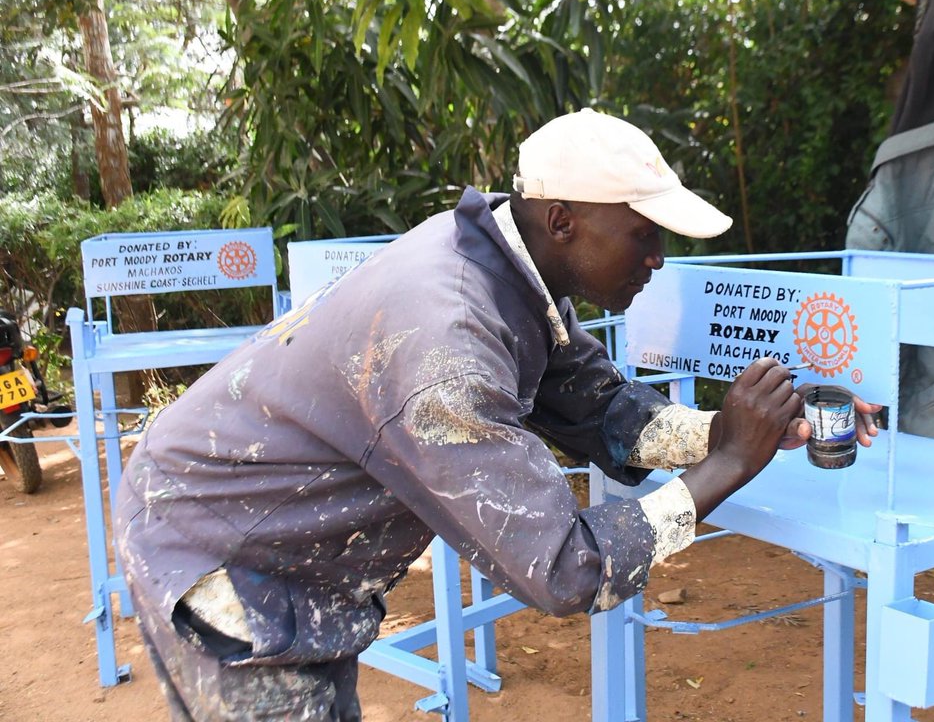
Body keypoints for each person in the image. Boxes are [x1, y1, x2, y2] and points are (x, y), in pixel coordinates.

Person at [116, 108, 880, 721]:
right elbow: (566, 570)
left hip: (289, 550)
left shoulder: (509, 274)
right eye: (643, 235)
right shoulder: (449, 345)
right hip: (224, 552)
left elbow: (603, 410)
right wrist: (726, 468)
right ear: (561, 221)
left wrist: (738, 429)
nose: (657, 258)